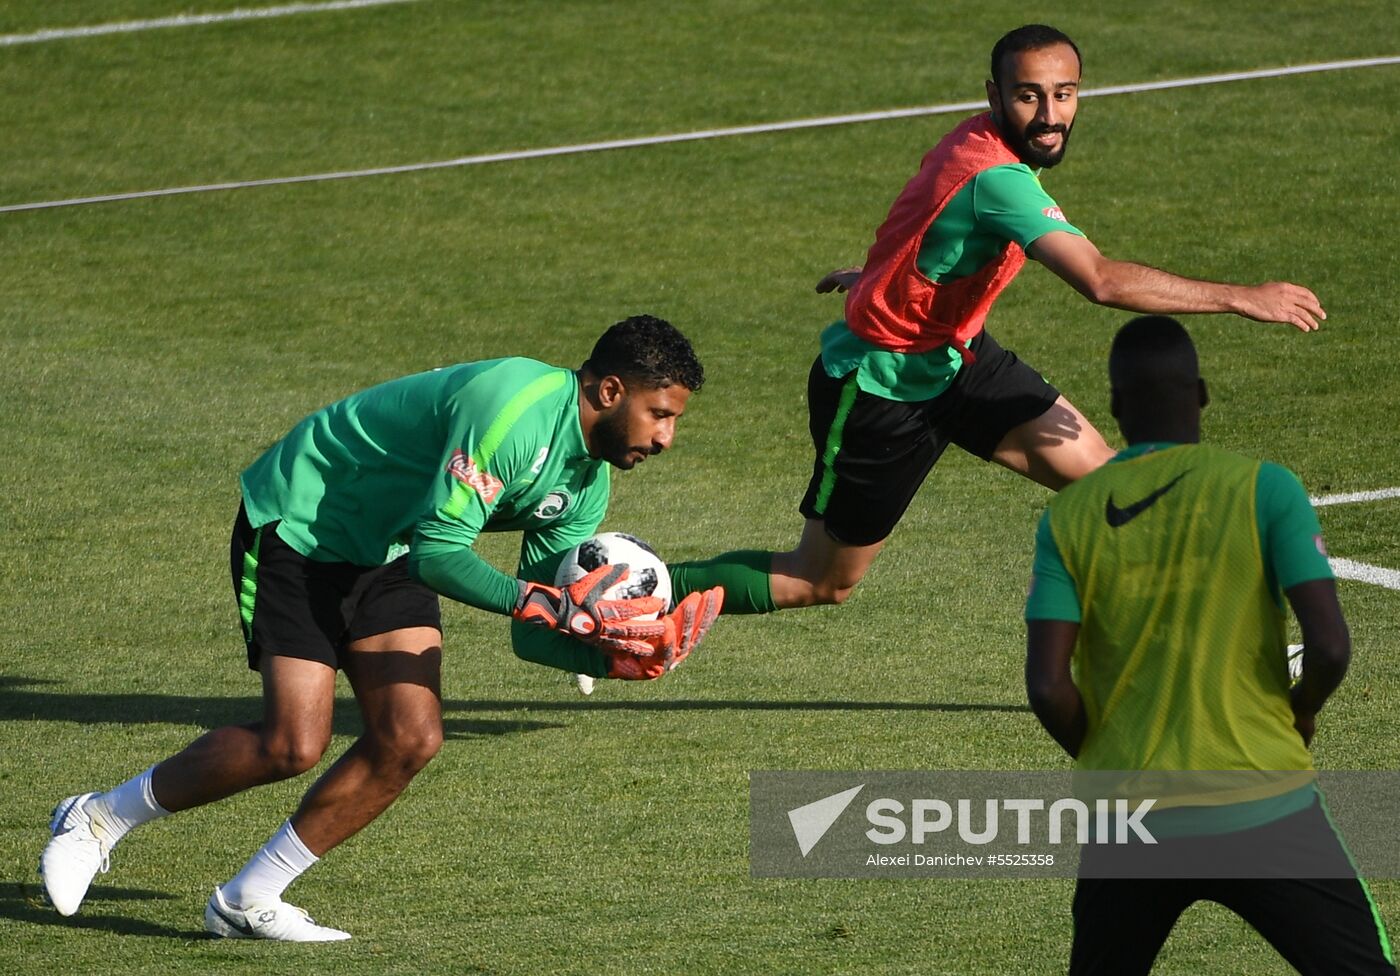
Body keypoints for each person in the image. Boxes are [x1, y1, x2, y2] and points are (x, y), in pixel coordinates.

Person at [39, 314, 724, 941]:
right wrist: (556, 609)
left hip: (394, 545)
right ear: (610, 390)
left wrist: (611, 655)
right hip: (305, 520)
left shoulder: (586, 482)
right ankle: (98, 818)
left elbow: (532, 625)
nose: (666, 438)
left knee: (410, 737)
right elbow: (448, 560)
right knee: (291, 743)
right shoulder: (513, 411)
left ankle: (249, 898)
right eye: (659, 415)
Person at [664, 23, 1327, 618]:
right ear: (995, 94)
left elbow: (924, 219)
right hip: (879, 389)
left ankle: (1219, 634)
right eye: (1029, 96)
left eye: (1064, 94)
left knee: (1109, 482)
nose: (1050, 115)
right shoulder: (998, 179)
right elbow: (1099, 280)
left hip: (960, 359)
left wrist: (880, 280)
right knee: (821, 580)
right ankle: (642, 592)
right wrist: (1242, 296)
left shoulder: (974, 143)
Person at [1024, 315, 1392, 975]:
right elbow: (1330, 646)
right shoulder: (1264, 488)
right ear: (1201, 395)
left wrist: (1108, 754)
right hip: (1265, 806)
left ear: (1115, 406)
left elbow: (1048, 686)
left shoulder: (1069, 516)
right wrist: (1302, 709)